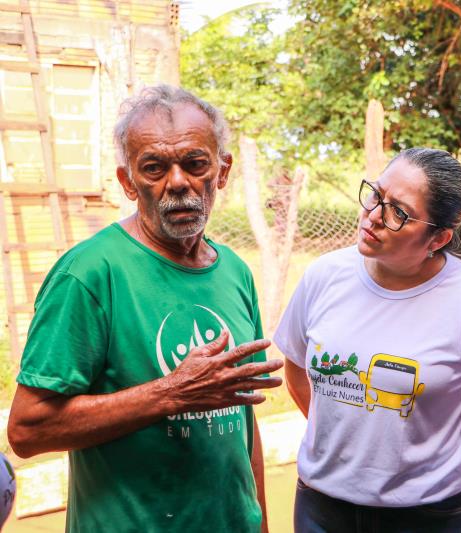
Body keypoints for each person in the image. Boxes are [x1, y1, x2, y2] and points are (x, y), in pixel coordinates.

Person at [7, 85, 284, 533]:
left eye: (195, 163)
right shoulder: (89, 273)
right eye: (154, 167)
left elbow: (242, 420)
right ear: (128, 181)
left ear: (222, 170)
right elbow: (27, 431)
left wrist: (260, 523)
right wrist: (171, 393)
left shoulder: (235, 271)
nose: (177, 182)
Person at [274, 147, 461, 532]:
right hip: (322, 509)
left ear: (438, 239)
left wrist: (441, 468)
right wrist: (346, 448)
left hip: (433, 516)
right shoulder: (324, 276)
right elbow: (298, 370)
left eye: (398, 212)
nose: (373, 216)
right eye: (375, 195)